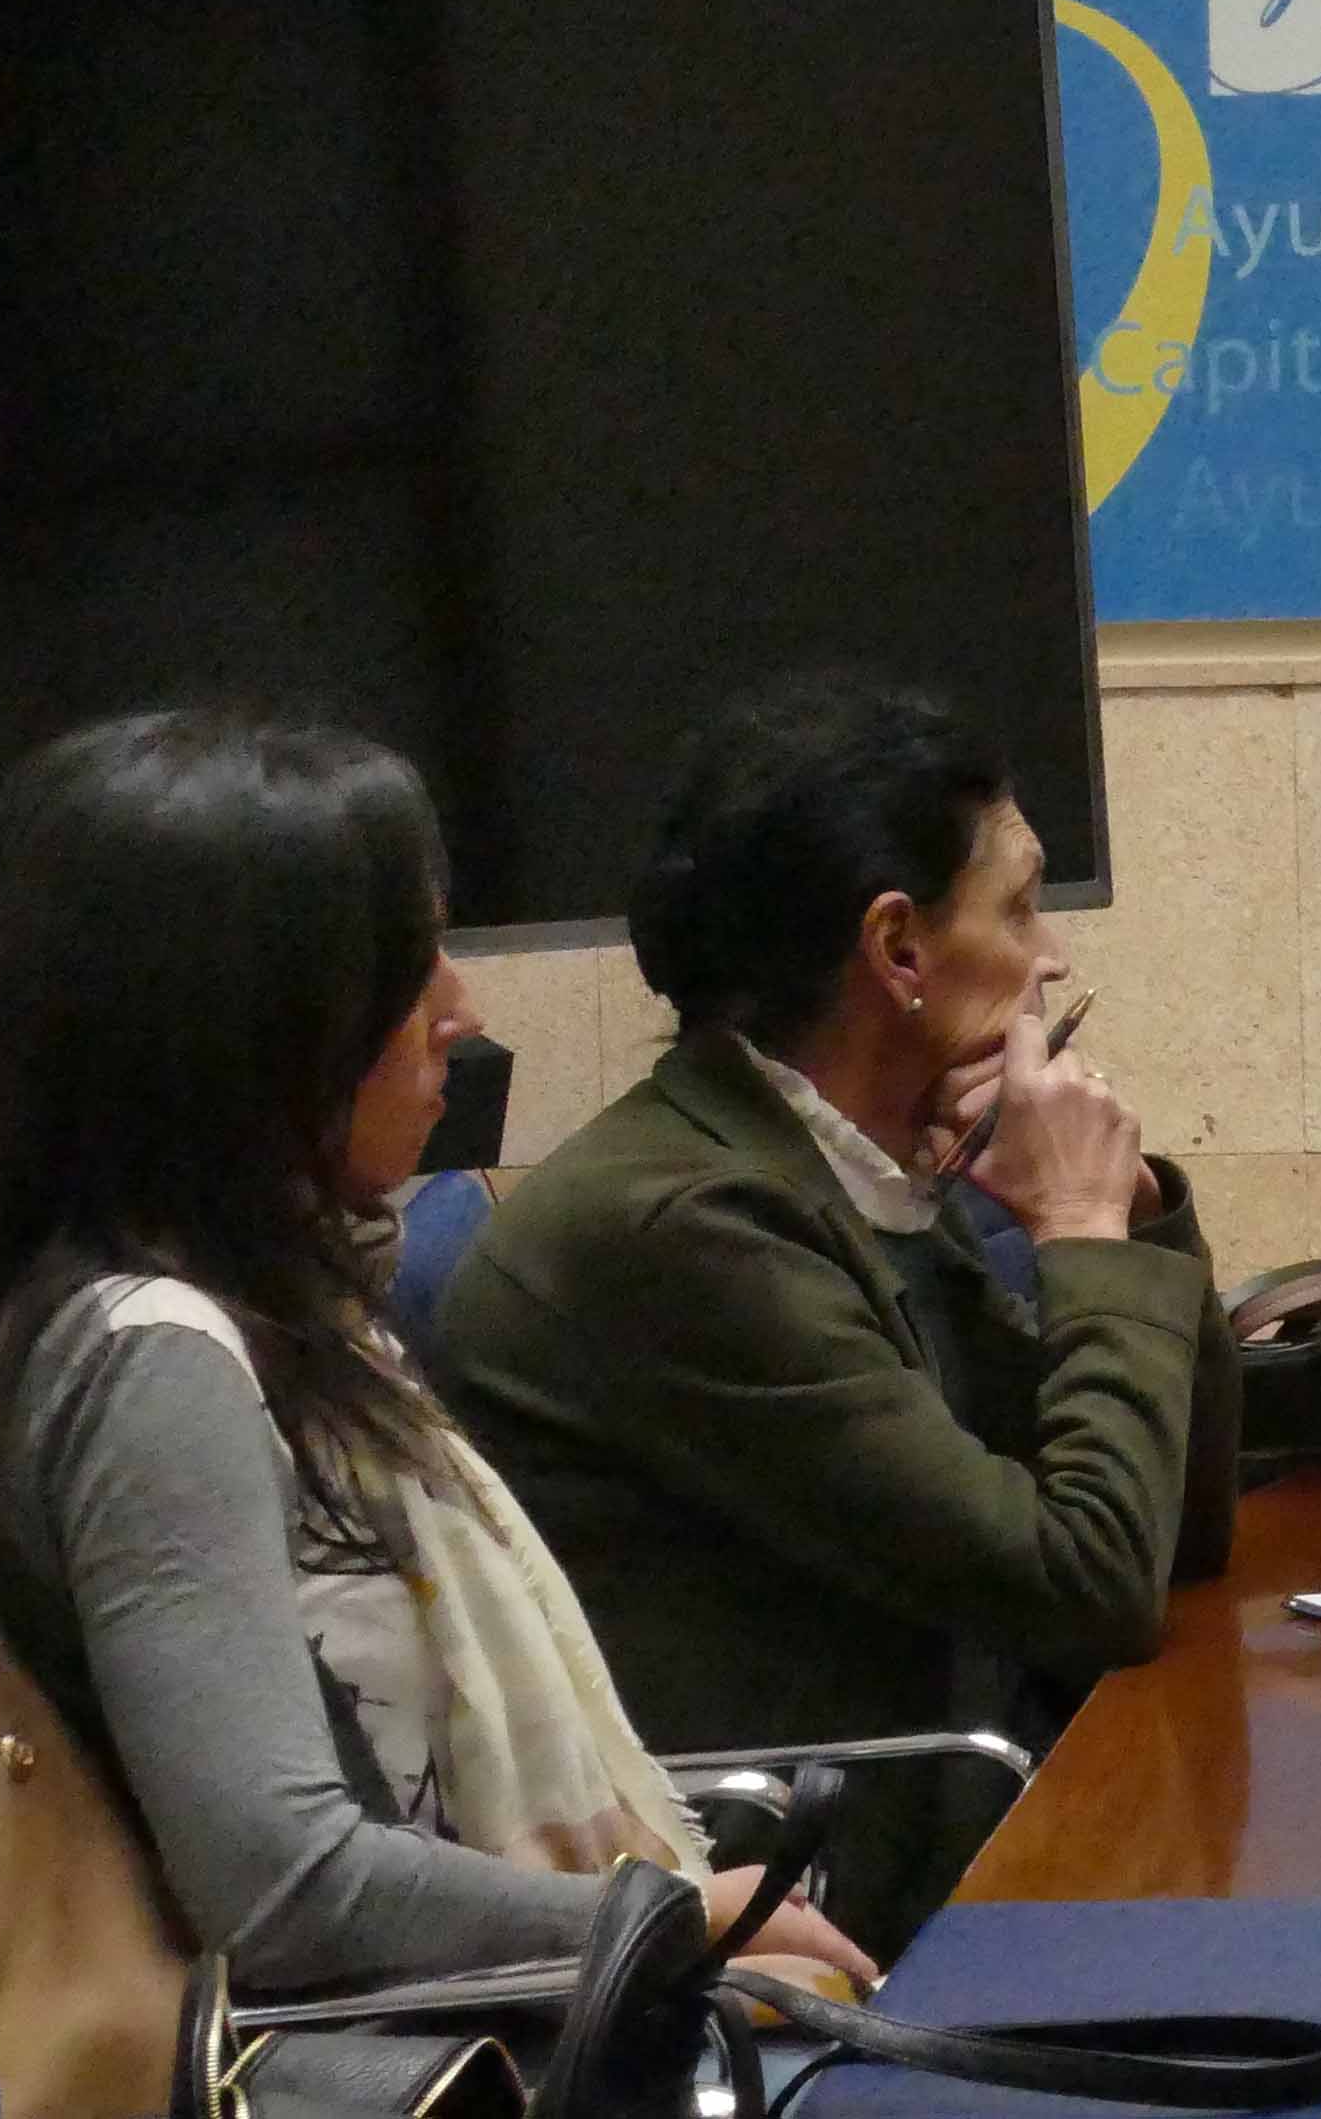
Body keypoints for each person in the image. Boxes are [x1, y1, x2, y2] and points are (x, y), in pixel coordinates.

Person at [0, 712, 873, 1992]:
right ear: (254, 1022)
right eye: (414, 966)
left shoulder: (201, 1294)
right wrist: (658, 1918)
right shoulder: (155, 1365)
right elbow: (285, 1888)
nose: (462, 1009)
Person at [433, 675, 1236, 1947]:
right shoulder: (690, 1226)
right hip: (806, 1905)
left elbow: (1171, 1530)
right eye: (1021, 905)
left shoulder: (848, 1171)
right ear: (899, 949)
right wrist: (1080, 1235)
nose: (1052, 958)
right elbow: (1088, 1580)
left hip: (951, 1809)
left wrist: (1129, 1218)